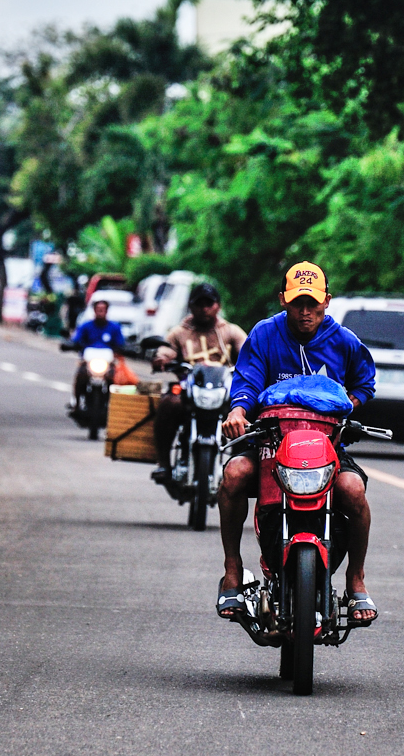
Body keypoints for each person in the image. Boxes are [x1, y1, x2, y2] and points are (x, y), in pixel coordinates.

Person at [217, 260, 378, 623]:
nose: (305, 312)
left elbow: (364, 384)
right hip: (270, 443)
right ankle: (232, 569)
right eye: (297, 303)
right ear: (283, 301)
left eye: (313, 304)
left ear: (327, 302)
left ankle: (356, 579)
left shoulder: (344, 342)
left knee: (353, 489)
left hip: (327, 447)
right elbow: (246, 382)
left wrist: (345, 411)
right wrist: (239, 412)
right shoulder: (264, 334)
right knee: (234, 474)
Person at [150, 283, 247, 478]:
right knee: (169, 403)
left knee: (246, 409)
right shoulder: (179, 332)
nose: (204, 308)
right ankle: (163, 463)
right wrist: (162, 358)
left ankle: (241, 465)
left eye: (208, 303)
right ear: (191, 306)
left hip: (224, 390)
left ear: (217, 306)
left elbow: (248, 351)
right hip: (189, 390)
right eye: (199, 304)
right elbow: (166, 350)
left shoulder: (230, 331)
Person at [70, 297, 126, 412]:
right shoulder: (86, 326)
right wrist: (71, 344)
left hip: (107, 362)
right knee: (80, 376)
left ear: (107, 311)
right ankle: (76, 402)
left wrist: (124, 349)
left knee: (114, 379)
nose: (100, 312)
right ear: (94, 310)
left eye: (103, 309)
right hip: (88, 361)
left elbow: (120, 342)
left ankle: (112, 404)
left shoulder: (114, 327)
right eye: (98, 309)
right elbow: (76, 339)